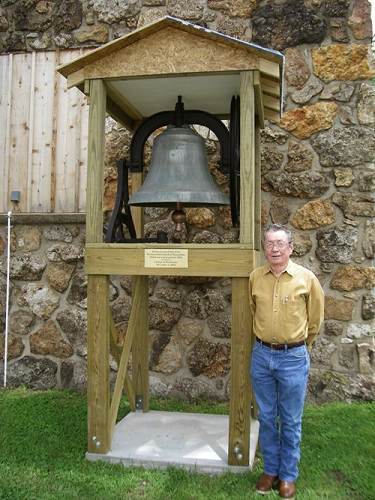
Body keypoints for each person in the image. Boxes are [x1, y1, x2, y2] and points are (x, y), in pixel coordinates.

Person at [249, 224, 324, 499]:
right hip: (261, 356)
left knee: (291, 420)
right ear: (265, 248)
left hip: (293, 357)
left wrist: (300, 347)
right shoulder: (255, 278)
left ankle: (288, 475)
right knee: (267, 417)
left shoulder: (307, 279)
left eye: (280, 243)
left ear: (291, 248)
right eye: (269, 243)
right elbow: (252, 310)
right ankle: (271, 470)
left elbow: (315, 320)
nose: (275, 248)